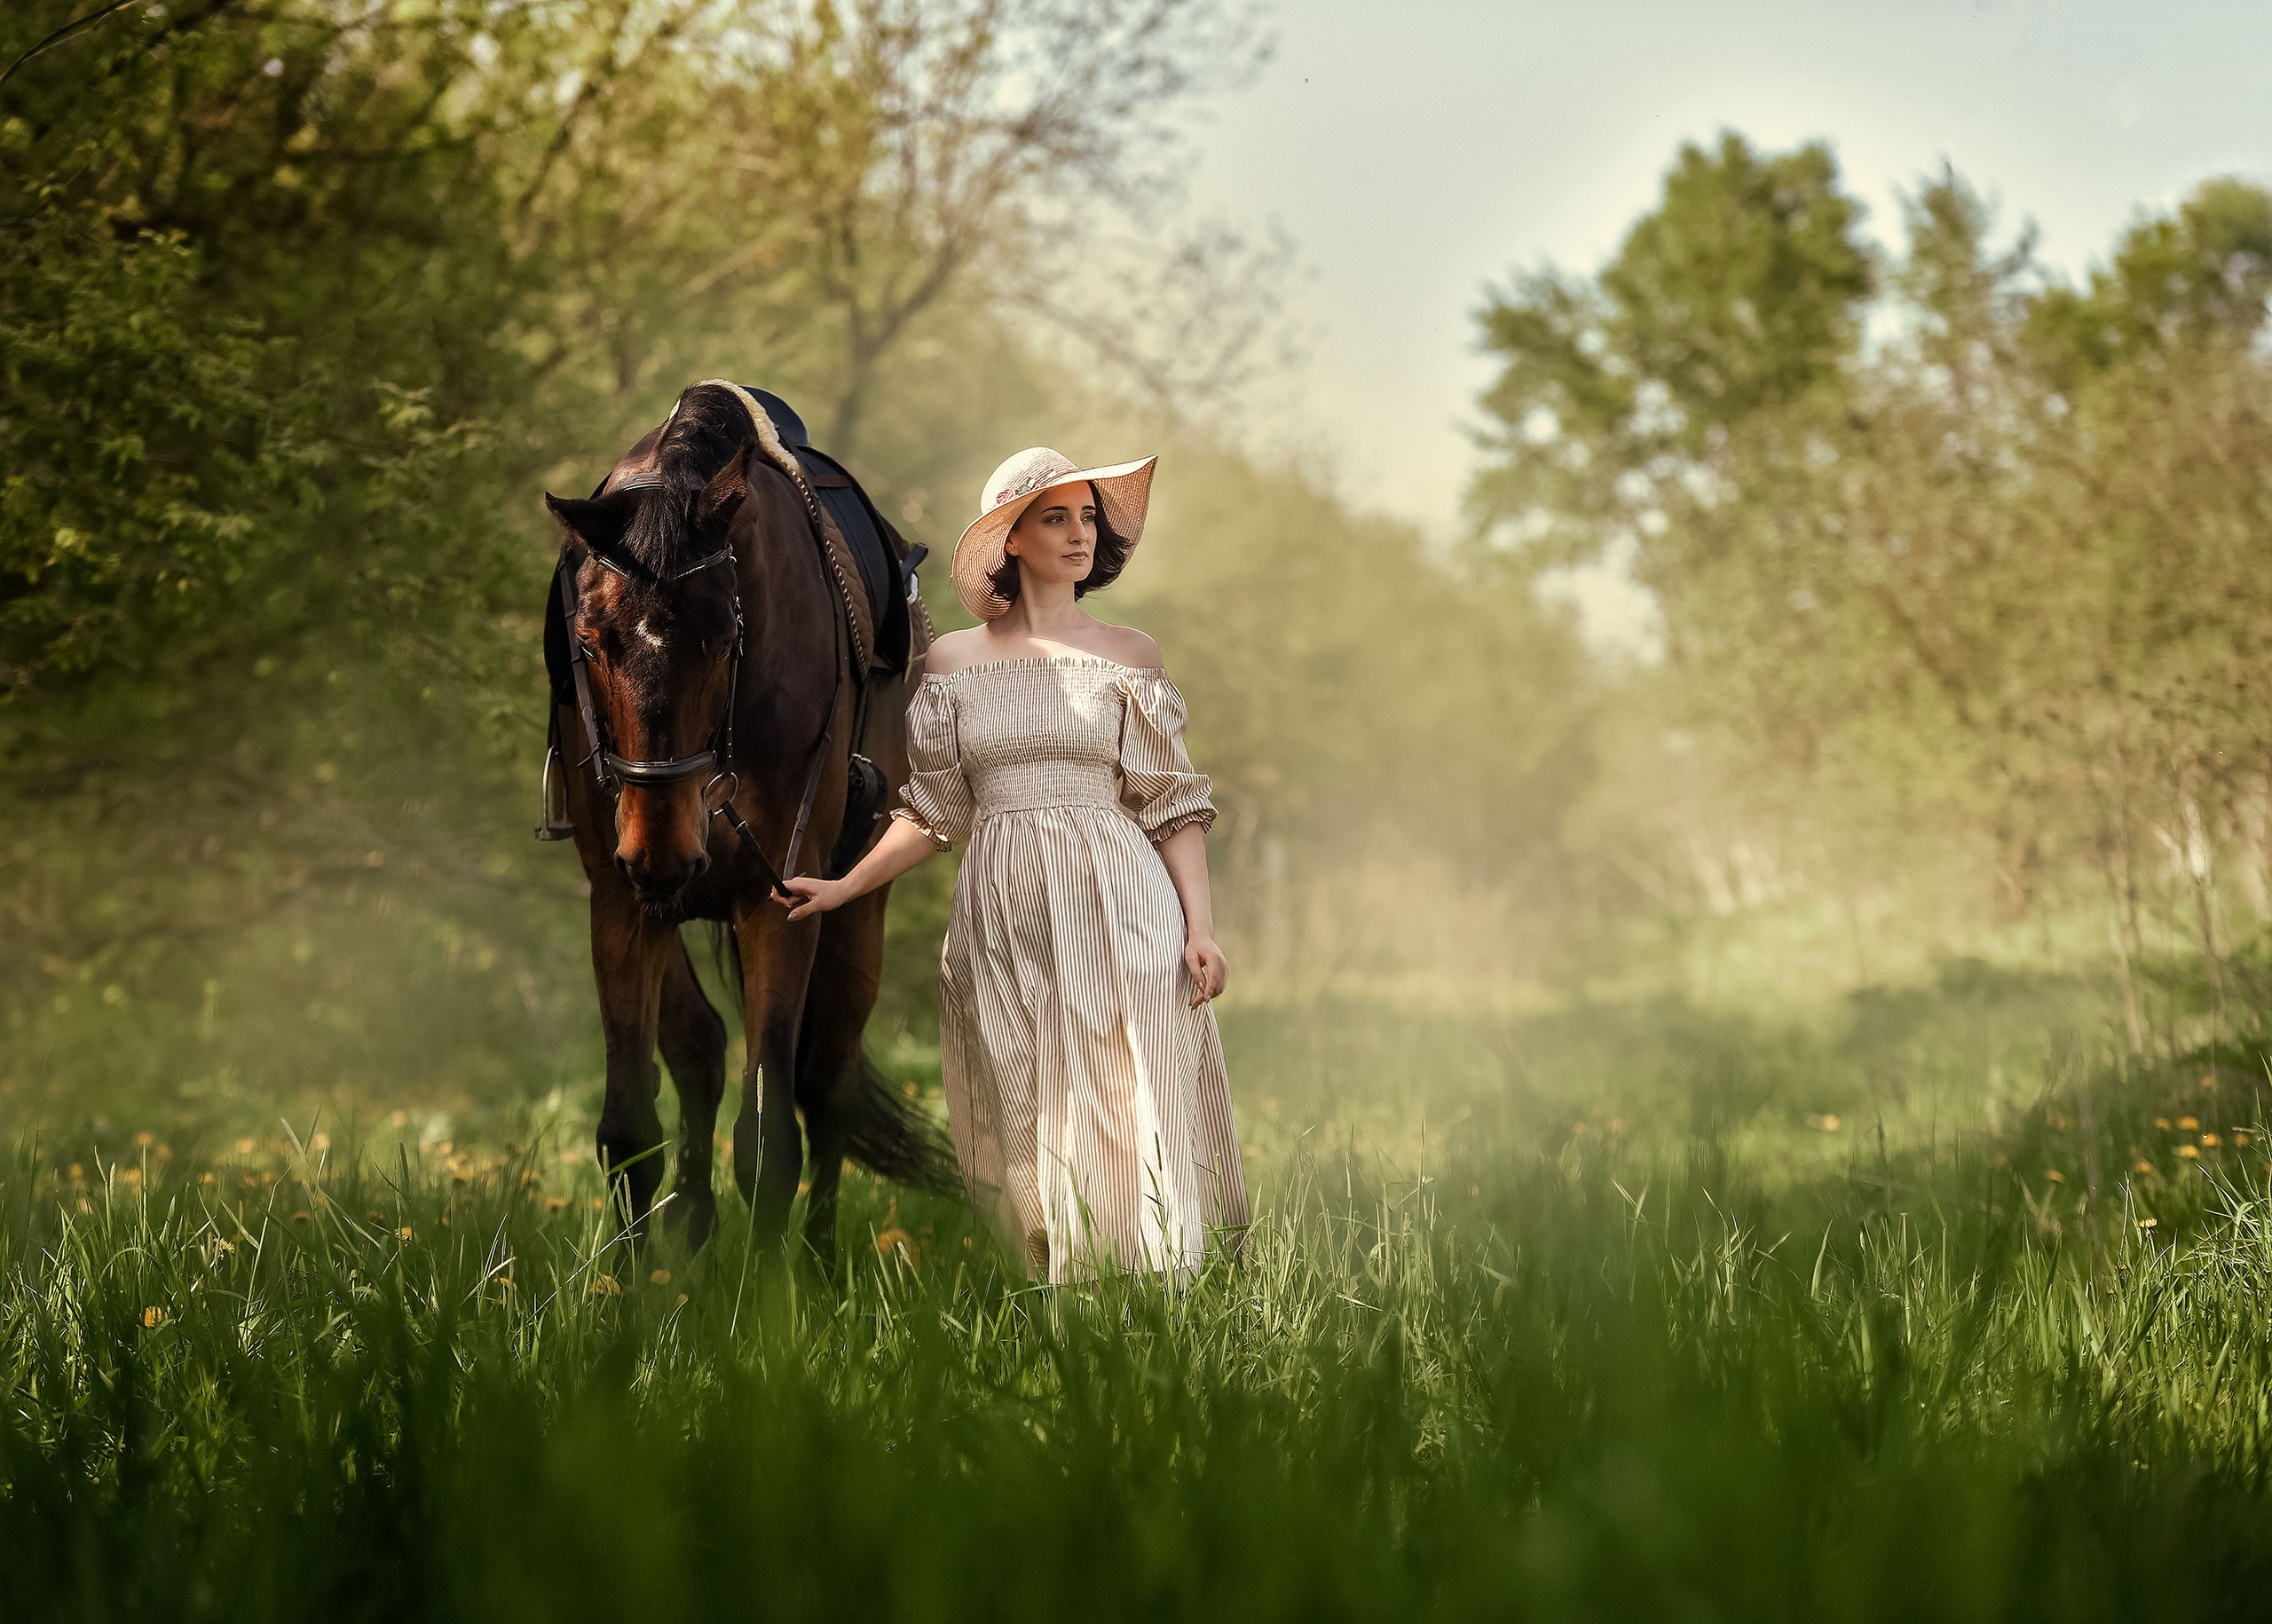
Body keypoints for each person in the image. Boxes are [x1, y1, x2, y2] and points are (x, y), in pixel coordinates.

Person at [777, 446, 1250, 1281]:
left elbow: (1171, 803)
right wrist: (848, 883)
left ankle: (1164, 1298)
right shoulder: (954, 664)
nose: (1078, 535)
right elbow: (936, 810)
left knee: (1127, 1084)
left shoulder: (1129, 655)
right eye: (1055, 518)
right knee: (1029, 1105)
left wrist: (1200, 926)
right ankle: (1064, 1300)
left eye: (1089, 517)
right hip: (1002, 914)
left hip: (1120, 898)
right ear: (1012, 540)